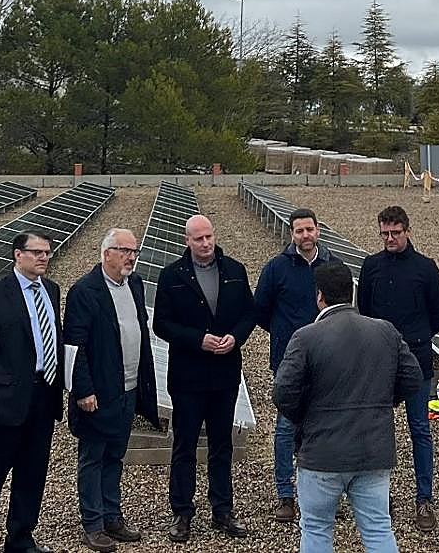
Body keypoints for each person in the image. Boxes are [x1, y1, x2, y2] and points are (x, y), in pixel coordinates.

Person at [273, 261, 423, 553]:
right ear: (352, 292)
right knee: (378, 528)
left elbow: (282, 391)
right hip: (373, 449)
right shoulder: (385, 331)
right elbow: (413, 378)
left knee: (316, 529)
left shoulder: (305, 337)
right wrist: (383, 403)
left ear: (319, 295)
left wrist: (304, 417)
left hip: (322, 452)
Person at [153, 214, 256, 544]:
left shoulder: (235, 271)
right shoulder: (172, 276)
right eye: (198, 238)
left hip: (225, 375)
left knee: (221, 445)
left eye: (209, 236)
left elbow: (249, 313)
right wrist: (198, 340)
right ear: (187, 241)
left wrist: (235, 338)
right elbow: (162, 325)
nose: (206, 243)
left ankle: (222, 510)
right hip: (187, 376)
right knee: (184, 446)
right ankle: (182, 511)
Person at [0, 230, 63, 553]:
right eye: (37, 252)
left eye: (47, 252)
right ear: (18, 254)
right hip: (5, 401)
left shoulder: (52, 290)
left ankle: (20, 538)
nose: (44, 257)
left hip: (44, 396)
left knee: (32, 473)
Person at [64, 228, 161, 552]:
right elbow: (74, 346)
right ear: (106, 253)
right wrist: (83, 391)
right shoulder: (85, 290)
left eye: (134, 251)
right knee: (93, 457)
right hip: (99, 392)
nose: (131, 256)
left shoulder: (133, 284)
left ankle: (112, 516)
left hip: (128, 389)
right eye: (124, 250)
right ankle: (92, 523)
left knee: (115, 455)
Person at [358, 205, 439, 531]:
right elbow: (363, 309)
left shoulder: (426, 268)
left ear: (407, 231)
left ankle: (424, 498)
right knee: (377, 430)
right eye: (385, 233)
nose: (390, 238)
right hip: (379, 361)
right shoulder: (371, 266)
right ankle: (378, 496)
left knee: (420, 430)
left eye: (395, 233)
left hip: (416, 361)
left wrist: (418, 338)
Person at [254, 207, 340, 522]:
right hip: (288, 361)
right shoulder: (277, 268)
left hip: (327, 359)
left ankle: (321, 493)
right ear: (292, 233)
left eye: (310, 229)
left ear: (318, 231)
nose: (305, 235)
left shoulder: (332, 267)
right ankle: (285, 495)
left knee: (322, 427)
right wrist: (285, 336)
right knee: (286, 428)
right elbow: (261, 310)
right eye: (299, 230)